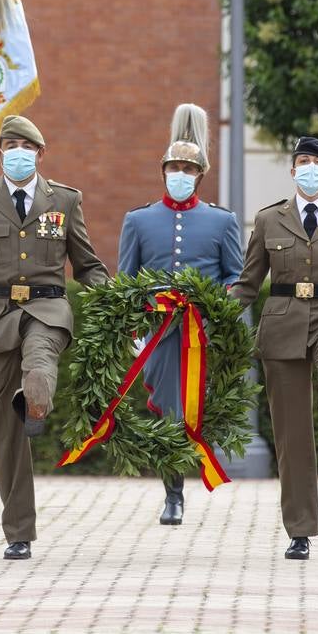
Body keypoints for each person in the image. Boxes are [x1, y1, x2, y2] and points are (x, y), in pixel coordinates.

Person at [0, 114, 109, 561]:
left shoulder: (65, 200)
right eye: (10, 147)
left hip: (46, 308)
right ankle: (18, 531)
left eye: (27, 147)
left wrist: (116, 301)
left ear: (41, 153)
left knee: (41, 359)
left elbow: (88, 264)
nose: (19, 154)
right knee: (4, 430)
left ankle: (36, 394)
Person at [229, 137, 318, 561]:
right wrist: (214, 317)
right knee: (292, 436)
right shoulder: (269, 220)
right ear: (293, 172)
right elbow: (247, 283)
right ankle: (300, 530)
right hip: (283, 323)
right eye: (302, 162)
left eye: (317, 162)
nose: (309, 168)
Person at [117, 103, 243, 527]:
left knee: (185, 412)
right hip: (158, 332)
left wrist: (216, 309)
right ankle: (173, 489)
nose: (181, 175)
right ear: (163, 170)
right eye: (174, 167)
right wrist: (133, 323)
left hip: (200, 332)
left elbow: (235, 277)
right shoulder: (138, 220)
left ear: (199, 176)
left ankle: (176, 490)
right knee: (167, 411)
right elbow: (126, 280)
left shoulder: (221, 222)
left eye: (188, 169)